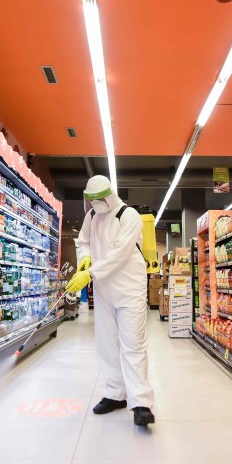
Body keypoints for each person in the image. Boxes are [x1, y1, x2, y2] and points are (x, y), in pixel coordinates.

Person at [66, 175, 155, 426]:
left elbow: (120, 253)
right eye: (91, 200)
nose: (96, 204)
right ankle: (115, 394)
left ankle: (141, 403)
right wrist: (84, 256)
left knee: (133, 344)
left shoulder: (128, 216)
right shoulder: (91, 216)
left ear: (110, 194)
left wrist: (89, 273)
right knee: (106, 344)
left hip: (130, 289)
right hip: (104, 290)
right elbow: (83, 241)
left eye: (99, 199)